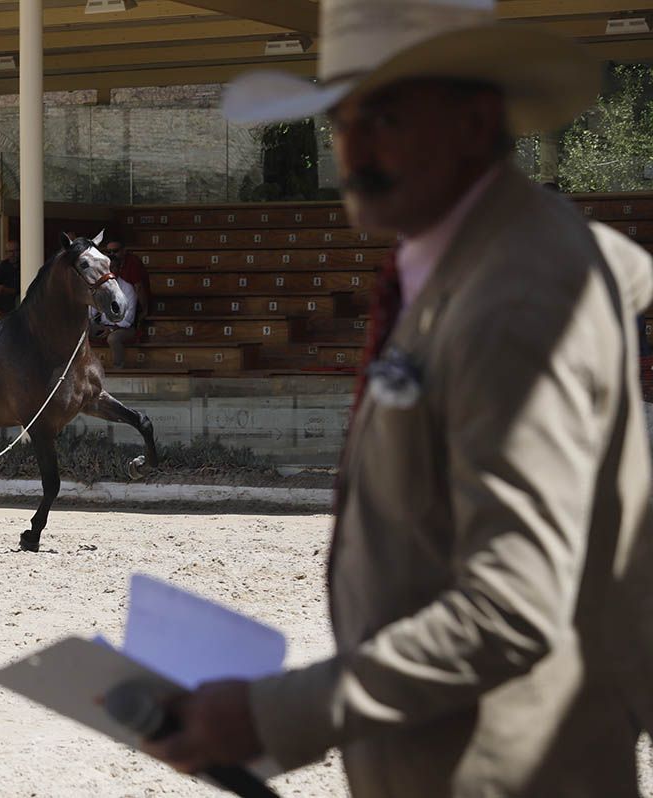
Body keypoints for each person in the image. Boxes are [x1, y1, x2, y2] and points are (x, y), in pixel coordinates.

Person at [141, 0, 653, 795]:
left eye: (383, 115)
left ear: (477, 122)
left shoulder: (510, 303)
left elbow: (510, 608)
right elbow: (620, 266)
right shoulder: (505, 249)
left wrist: (274, 715)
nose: (352, 148)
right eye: (340, 118)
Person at [89, 274, 138, 368]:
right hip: (104, 325)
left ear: (119, 269)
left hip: (123, 327)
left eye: (113, 268)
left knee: (113, 338)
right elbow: (92, 311)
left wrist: (112, 329)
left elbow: (129, 318)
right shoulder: (101, 286)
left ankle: (118, 367)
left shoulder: (127, 288)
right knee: (82, 331)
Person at [102, 237, 150, 326]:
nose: (112, 254)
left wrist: (145, 309)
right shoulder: (108, 262)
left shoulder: (133, 263)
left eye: (115, 251)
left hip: (134, 303)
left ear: (124, 251)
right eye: (109, 252)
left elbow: (139, 288)